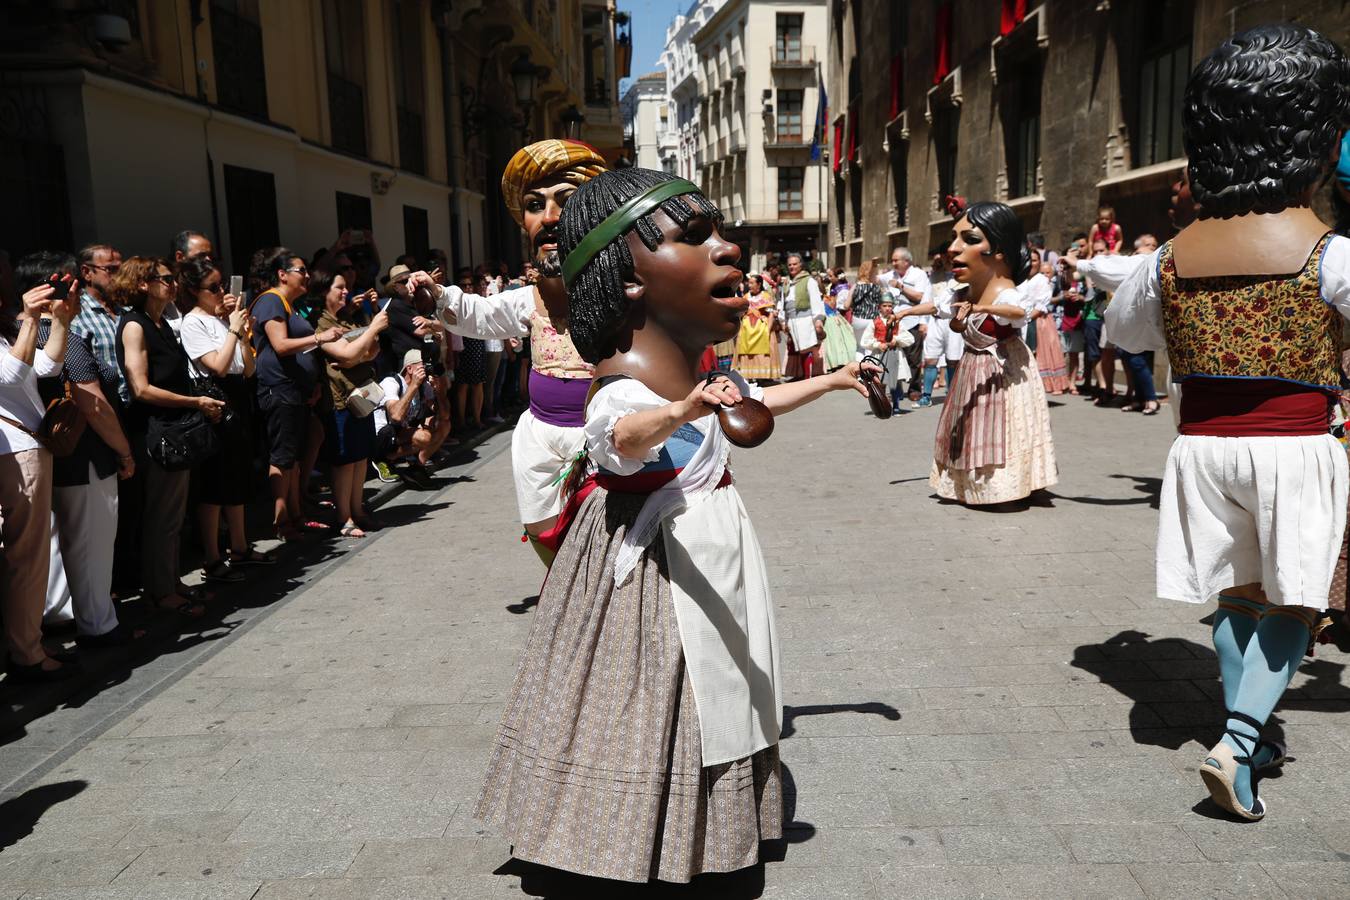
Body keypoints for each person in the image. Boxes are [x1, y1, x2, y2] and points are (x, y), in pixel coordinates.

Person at [475, 168, 878, 883]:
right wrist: (682, 412)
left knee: (723, 685)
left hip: (708, 554)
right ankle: (627, 838)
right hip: (656, 572)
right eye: (697, 238)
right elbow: (622, 436)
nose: (730, 248)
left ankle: (696, 831)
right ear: (629, 281)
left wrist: (836, 379)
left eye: (723, 231)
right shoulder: (624, 384)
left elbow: (756, 398)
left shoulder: (693, 372)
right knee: (663, 693)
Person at [1105, 24, 1350, 821]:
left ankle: (1256, 727)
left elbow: (1125, 335)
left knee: (1240, 597)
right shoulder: (1330, 252)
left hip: (1201, 450)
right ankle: (1239, 743)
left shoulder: (1166, 257)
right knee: (1295, 603)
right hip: (1296, 445)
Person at [406, 139, 607, 561]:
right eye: (535, 205)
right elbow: (479, 314)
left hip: (605, 440)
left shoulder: (621, 292)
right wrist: (437, 293)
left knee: (607, 539)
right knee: (544, 532)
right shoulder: (527, 298)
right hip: (541, 438)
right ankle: (567, 593)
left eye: (566, 202)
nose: (549, 218)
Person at [21, 253, 135, 648]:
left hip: (44, 457)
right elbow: (95, 405)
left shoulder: (17, 336)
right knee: (92, 545)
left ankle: (58, 614)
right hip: (84, 457)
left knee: (55, 543)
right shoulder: (61, 339)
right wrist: (123, 450)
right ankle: (99, 624)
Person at [115, 257, 225, 617]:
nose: (172, 284)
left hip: (175, 430)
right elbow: (140, 388)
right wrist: (195, 400)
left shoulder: (161, 323)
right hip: (156, 432)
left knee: (174, 515)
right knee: (162, 516)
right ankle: (160, 592)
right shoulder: (135, 326)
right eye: (163, 279)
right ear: (143, 284)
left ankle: (171, 583)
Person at [928, 202, 1057, 506]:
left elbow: (1018, 312)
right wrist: (906, 312)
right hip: (972, 365)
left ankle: (1008, 485)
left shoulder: (1008, 293)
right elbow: (939, 310)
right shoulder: (963, 292)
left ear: (999, 250)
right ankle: (968, 486)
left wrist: (983, 308)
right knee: (970, 421)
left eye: (970, 239)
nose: (953, 249)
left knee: (1008, 423)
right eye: (954, 238)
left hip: (1007, 368)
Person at [178, 256, 275, 583]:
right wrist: (232, 328)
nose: (222, 292)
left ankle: (239, 546)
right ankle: (212, 556)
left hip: (238, 397)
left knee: (237, 477)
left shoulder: (221, 320)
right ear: (194, 290)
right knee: (214, 485)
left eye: (223, 285)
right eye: (213, 287)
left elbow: (247, 368)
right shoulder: (192, 323)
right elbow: (217, 366)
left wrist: (242, 331)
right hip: (214, 400)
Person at [0, 272, 77, 681]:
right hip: (14, 453)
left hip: (22, 447)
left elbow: (46, 367)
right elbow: (10, 376)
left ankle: (25, 644)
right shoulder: (17, 325)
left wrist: (61, 320)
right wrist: (30, 319)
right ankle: (27, 653)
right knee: (26, 559)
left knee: (25, 557)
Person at [250, 248, 340, 541]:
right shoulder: (270, 302)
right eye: (301, 270)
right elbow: (280, 344)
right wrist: (319, 337)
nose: (307, 275)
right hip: (278, 390)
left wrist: (309, 382)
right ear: (281, 274)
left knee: (296, 454)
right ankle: (282, 521)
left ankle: (296, 513)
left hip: (295, 391)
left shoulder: (288, 304)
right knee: (283, 457)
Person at [313, 267, 390, 537]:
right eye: (339, 287)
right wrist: (358, 350)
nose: (346, 291)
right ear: (324, 291)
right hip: (340, 399)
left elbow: (372, 349)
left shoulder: (346, 318)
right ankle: (344, 516)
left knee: (360, 458)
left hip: (362, 395)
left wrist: (359, 349)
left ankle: (357, 511)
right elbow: (347, 354)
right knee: (344, 460)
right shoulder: (320, 323)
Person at [372, 348, 452, 487]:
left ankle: (417, 467)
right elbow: (396, 416)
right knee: (423, 437)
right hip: (382, 435)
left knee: (444, 425)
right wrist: (413, 385)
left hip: (401, 432)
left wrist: (439, 390)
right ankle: (382, 458)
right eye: (423, 366)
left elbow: (445, 415)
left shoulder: (424, 386)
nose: (427, 369)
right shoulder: (391, 382)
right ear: (409, 368)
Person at [880, 247, 931, 404]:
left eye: (896, 260)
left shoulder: (919, 275)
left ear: (906, 261)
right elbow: (874, 278)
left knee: (913, 358)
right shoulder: (890, 275)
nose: (893, 263)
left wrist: (901, 287)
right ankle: (897, 389)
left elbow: (921, 296)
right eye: (893, 260)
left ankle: (914, 389)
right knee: (895, 357)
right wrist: (872, 266)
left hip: (913, 321)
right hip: (895, 322)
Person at [1022, 252, 1068, 395]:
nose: (1031, 263)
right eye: (1029, 260)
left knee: (1043, 351)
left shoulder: (1041, 279)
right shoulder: (1021, 279)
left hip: (1039, 319)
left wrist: (1026, 318)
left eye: (1035, 260)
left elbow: (1043, 302)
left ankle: (1048, 385)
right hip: (1024, 320)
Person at [778, 252, 823, 380]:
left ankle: (807, 377)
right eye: (790, 264)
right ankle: (802, 375)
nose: (792, 267)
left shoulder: (809, 281)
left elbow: (816, 301)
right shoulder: (786, 282)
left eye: (795, 264)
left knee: (806, 349)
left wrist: (818, 320)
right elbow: (783, 302)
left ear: (800, 265)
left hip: (805, 320)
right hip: (792, 320)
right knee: (797, 350)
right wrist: (783, 320)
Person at [733, 283, 778, 382]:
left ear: (759, 284)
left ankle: (762, 377)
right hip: (747, 329)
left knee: (762, 351)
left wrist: (768, 329)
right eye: (749, 283)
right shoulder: (746, 297)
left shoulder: (765, 296)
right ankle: (747, 375)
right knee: (746, 351)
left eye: (752, 283)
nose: (749, 285)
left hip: (761, 328)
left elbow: (771, 313)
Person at [849, 259, 885, 358]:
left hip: (857, 319)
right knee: (871, 347)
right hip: (872, 319)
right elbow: (883, 303)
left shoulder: (855, 286)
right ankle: (870, 370)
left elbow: (846, 305)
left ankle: (859, 370)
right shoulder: (877, 288)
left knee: (859, 347)